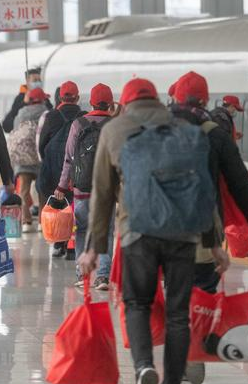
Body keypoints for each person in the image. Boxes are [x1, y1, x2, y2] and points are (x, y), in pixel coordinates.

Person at [79, 78, 227, 384]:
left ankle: (144, 367)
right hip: (183, 234)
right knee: (177, 313)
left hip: (137, 233)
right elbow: (204, 191)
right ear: (159, 101)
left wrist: (94, 248)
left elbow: (103, 194)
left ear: (126, 103)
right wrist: (214, 244)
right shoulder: (186, 130)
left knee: (138, 303)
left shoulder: (114, 130)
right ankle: (173, 377)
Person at [170, 72, 248, 384]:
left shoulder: (155, 130)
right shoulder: (216, 134)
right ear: (205, 99)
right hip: (205, 231)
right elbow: (240, 185)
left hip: (163, 230)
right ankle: (192, 353)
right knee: (202, 291)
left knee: (175, 292)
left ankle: (178, 349)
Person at [54, 83, 115, 290]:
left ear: (90, 102)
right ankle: (103, 277)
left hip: (81, 188)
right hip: (107, 190)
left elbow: (69, 159)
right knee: (105, 231)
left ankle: (82, 275)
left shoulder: (79, 124)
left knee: (81, 230)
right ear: (110, 103)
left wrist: (62, 187)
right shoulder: (115, 125)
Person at [38, 81, 85, 258]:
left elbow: (42, 145)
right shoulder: (84, 116)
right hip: (77, 169)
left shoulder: (52, 116)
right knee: (74, 206)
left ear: (60, 97)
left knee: (59, 206)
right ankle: (72, 245)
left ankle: (59, 243)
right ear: (77, 97)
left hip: (55, 168)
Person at [7, 88, 49, 233]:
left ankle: (26, 221)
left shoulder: (21, 113)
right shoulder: (46, 112)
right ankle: (42, 223)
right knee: (42, 190)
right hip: (40, 158)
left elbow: (15, 131)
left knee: (24, 190)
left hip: (23, 158)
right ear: (43, 99)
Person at [2, 68, 53, 133]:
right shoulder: (21, 98)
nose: (38, 82)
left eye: (39, 80)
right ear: (27, 81)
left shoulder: (44, 98)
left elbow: (50, 111)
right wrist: (24, 103)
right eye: (35, 80)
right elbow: (12, 116)